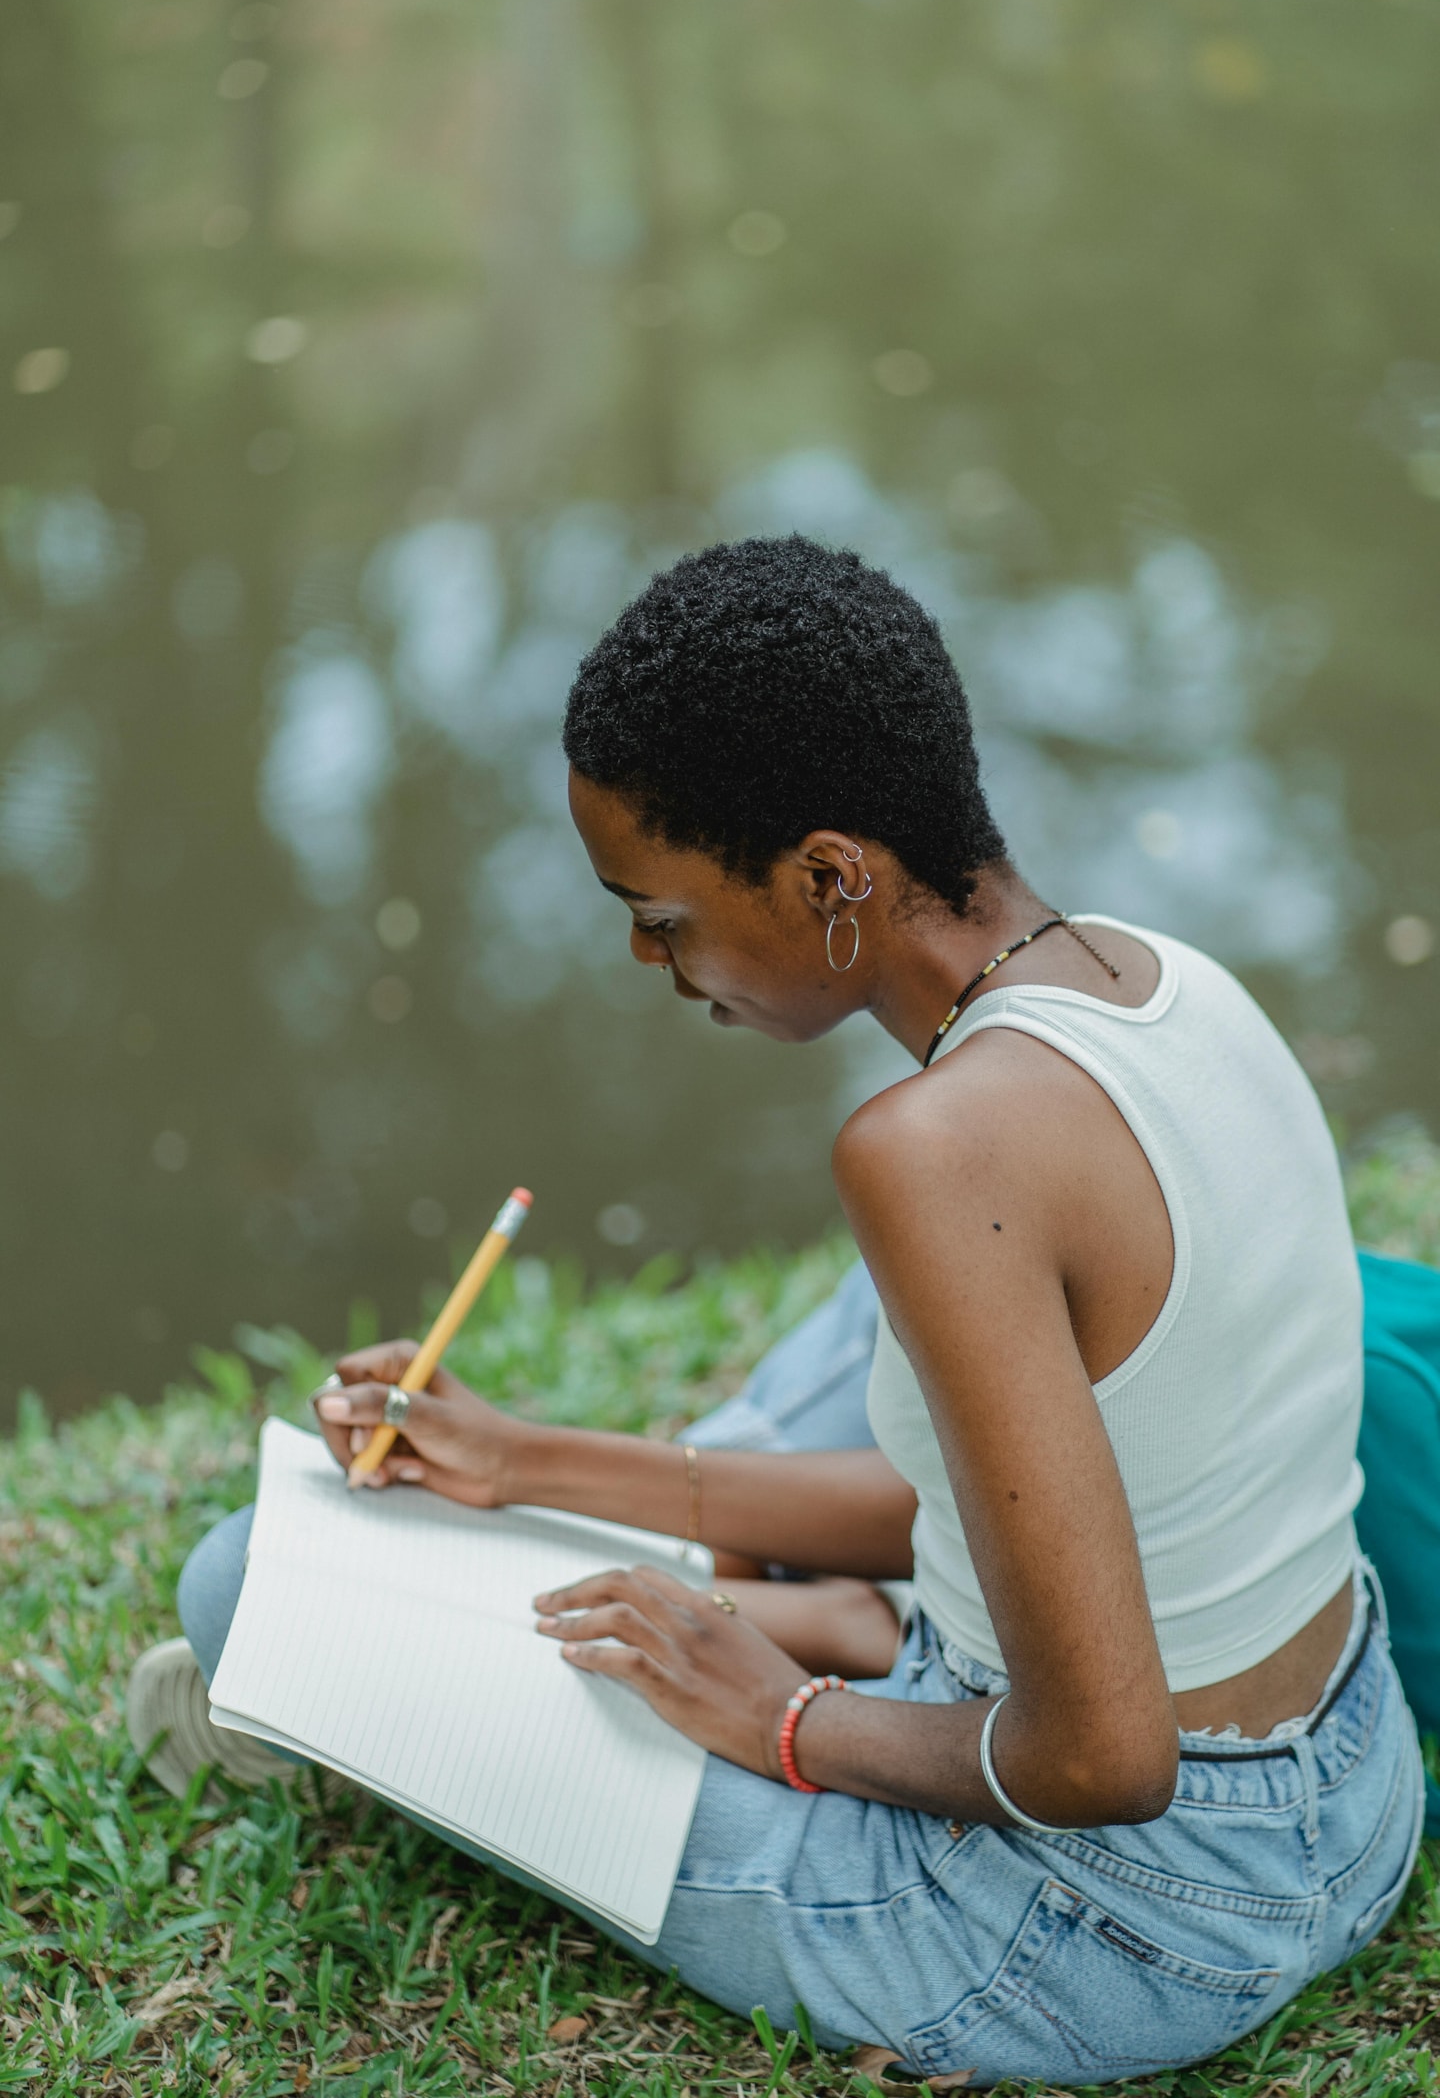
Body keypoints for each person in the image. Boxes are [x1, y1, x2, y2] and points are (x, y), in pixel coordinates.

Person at [141, 536, 1423, 2087]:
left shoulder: (935, 1156)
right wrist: (529, 1460)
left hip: (1102, 1922)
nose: (643, 956)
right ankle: (748, 1582)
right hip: (1351, 1796)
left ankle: (752, 1626)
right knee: (879, 1314)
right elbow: (1004, 1500)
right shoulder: (1163, 981)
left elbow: (1102, 1759)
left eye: (662, 914)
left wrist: (788, 1720)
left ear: (830, 879)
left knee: (248, 1584)